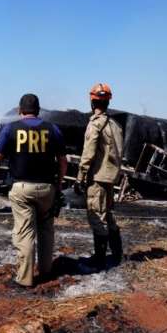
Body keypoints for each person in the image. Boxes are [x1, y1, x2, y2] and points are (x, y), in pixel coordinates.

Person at [0, 94, 67, 288]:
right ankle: (46, 270)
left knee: (25, 232)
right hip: (47, 188)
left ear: (19, 110)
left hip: (22, 188)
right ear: (39, 110)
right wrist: (58, 186)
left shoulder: (11, 128)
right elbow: (63, 161)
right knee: (46, 229)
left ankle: (25, 278)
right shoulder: (52, 129)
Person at [75, 83, 124, 272]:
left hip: (97, 178)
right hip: (110, 177)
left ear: (92, 100)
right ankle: (117, 255)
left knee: (97, 217)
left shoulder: (95, 124)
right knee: (109, 215)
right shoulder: (115, 125)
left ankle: (99, 260)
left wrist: (80, 177)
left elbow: (88, 153)